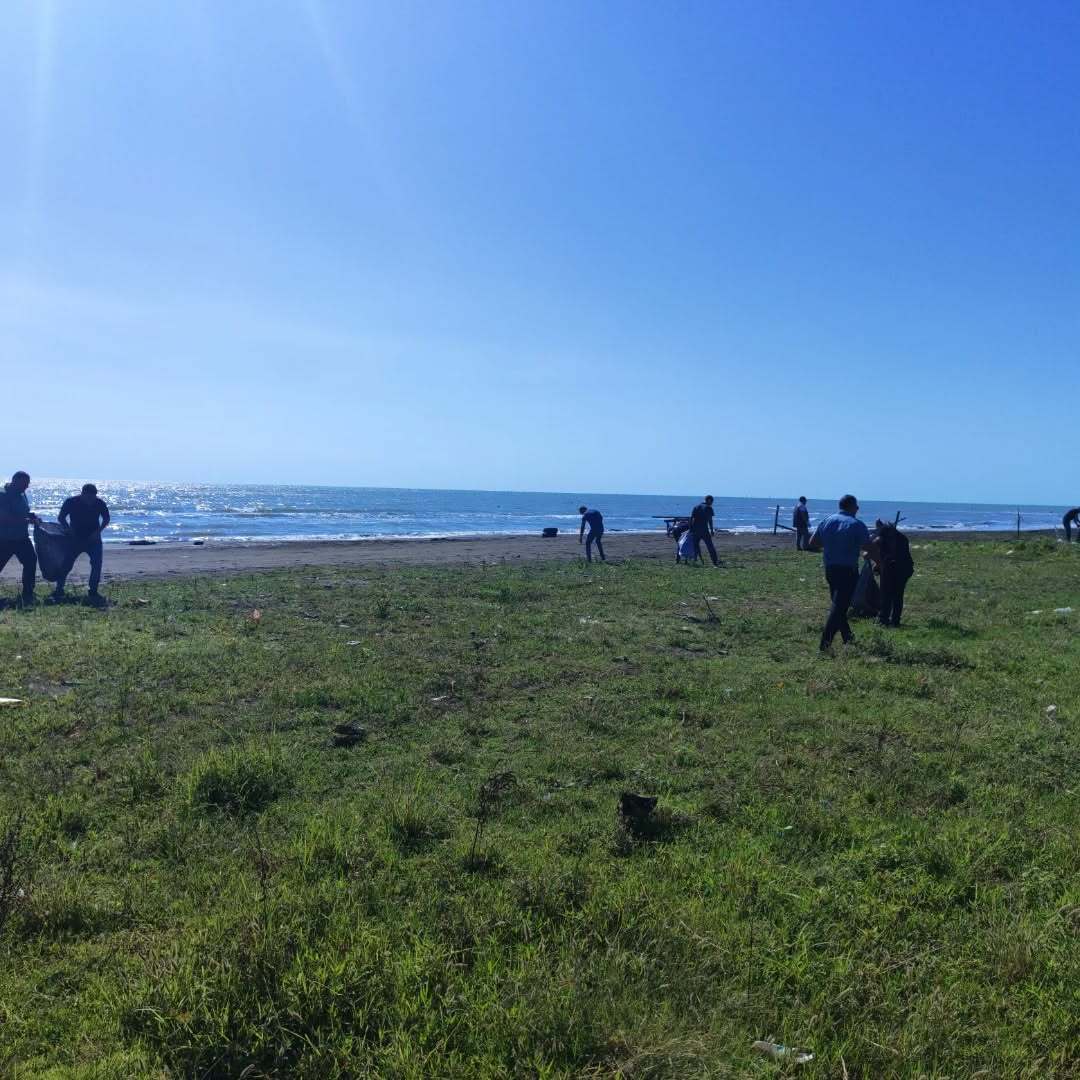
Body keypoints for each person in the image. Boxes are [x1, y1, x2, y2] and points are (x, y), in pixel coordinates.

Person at [808, 494, 874, 651]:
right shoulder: (856, 524)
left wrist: (832, 545)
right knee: (839, 607)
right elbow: (868, 547)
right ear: (852, 507)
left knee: (839, 604)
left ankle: (848, 638)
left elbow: (813, 542)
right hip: (847, 570)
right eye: (856, 506)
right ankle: (824, 645)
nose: (857, 509)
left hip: (830, 569)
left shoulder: (827, 521)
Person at [53, 484, 110, 602]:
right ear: (82, 494)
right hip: (74, 539)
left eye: (93, 497)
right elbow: (61, 517)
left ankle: (93, 591)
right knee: (66, 564)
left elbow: (106, 518)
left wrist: (98, 531)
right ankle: (59, 589)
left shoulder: (99, 503)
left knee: (96, 563)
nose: (90, 500)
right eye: (88, 497)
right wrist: (68, 529)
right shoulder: (71, 502)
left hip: (93, 539)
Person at [0, 471, 41, 606]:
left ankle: (28, 593)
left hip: (21, 538)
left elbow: (24, 512)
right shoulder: (3, 495)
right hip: (4, 539)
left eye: (27, 484)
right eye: (24, 483)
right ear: (15, 481)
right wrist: (26, 520)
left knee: (31, 561)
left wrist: (33, 517)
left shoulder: (22, 494)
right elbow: (4, 517)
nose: (26, 486)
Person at [875, 519, 914, 628]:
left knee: (886, 594)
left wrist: (878, 564)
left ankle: (884, 619)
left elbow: (878, 549)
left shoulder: (883, 536)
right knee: (897, 595)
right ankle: (895, 621)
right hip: (904, 569)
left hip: (893, 568)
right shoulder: (902, 537)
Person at [689, 495, 719, 567]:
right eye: (712, 501)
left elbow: (691, 519)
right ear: (709, 500)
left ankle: (694, 561)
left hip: (695, 530)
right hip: (704, 530)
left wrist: (691, 529)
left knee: (695, 546)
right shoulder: (709, 508)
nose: (712, 503)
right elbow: (710, 520)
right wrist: (711, 530)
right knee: (710, 546)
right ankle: (715, 562)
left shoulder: (696, 507)